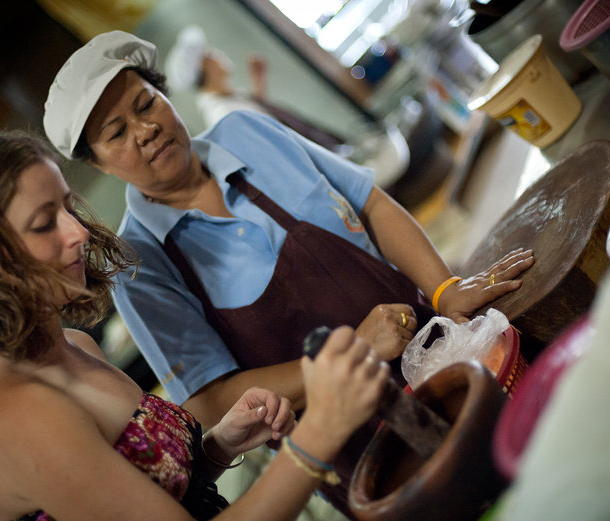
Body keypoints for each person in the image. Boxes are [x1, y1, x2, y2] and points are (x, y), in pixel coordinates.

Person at [42, 30, 534, 516]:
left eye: (145, 104)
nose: (144, 129)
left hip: (444, 356)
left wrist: (445, 288)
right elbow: (211, 402)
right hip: (363, 446)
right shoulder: (141, 265)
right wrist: (354, 354)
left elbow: (371, 204)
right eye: (116, 133)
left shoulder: (246, 133)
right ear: (100, 163)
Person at [0, 129, 390, 521]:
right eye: (44, 223)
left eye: (67, 206)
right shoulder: (13, 415)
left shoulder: (75, 344)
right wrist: (321, 430)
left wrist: (219, 446)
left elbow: (155, 494)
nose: (77, 231)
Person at [164, 25, 346, 150]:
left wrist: (258, 81)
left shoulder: (230, 98)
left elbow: (262, 117)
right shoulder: (223, 115)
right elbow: (269, 142)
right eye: (210, 53)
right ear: (204, 66)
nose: (218, 54)